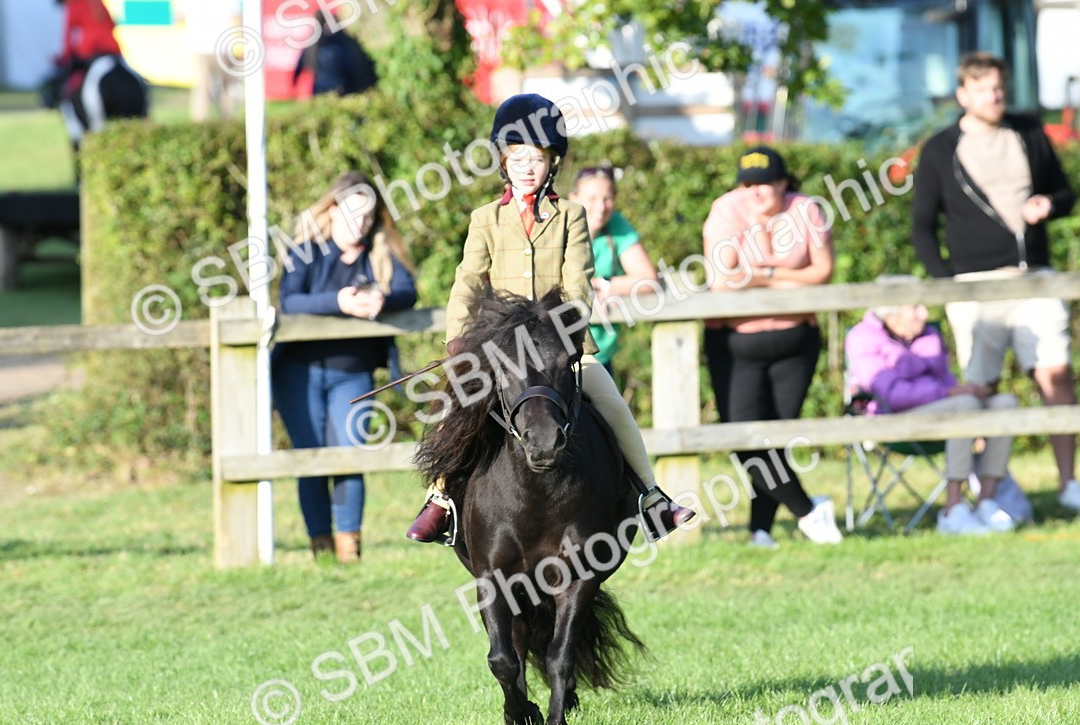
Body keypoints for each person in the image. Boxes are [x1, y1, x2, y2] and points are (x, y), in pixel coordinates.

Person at [406, 93, 695, 544]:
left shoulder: (571, 216)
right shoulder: (486, 218)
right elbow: (466, 281)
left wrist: (565, 336)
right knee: (454, 410)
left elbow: (578, 281)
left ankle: (652, 499)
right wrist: (457, 343)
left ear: (553, 163)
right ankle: (441, 500)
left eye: (536, 158)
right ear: (502, 160)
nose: (526, 166)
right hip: (498, 348)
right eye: (516, 156)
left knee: (613, 403)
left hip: (556, 346)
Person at [911, 51, 1080, 515]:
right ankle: (991, 493)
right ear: (963, 94)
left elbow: (1065, 192)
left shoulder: (1029, 132)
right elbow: (922, 226)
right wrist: (948, 286)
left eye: (999, 87)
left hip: (1035, 277)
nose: (994, 96)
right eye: (983, 89)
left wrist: (1048, 205)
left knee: (1056, 374)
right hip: (975, 284)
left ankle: (1069, 484)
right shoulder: (940, 149)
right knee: (981, 389)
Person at [273, 171, 417, 562]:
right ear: (333, 210)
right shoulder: (305, 250)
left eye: (369, 216)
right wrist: (339, 301)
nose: (362, 224)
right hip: (297, 374)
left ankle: (349, 546)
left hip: (354, 373)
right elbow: (290, 301)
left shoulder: (380, 251)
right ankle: (319, 545)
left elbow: (409, 291)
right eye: (354, 214)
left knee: (351, 456)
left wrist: (380, 299)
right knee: (312, 458)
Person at [702, 145, 842, 548]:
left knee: (774, 440)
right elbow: (722, 278)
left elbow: (823, 271)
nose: (757, 192)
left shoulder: (806, 209)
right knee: (745, 438)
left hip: (794, 340)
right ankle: (809, 511)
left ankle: (760, 530)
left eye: (765, 183)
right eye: (749, 183)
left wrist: (761, 273)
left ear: (783, 182)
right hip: (734, 342)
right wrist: (786, 277)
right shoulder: (726, 209)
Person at [845, 284, 1018, 534]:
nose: (924, 314)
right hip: (892, 418)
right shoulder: (862, 337)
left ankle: (986, 502)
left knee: (1005, 404)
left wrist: (972, 391)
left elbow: (946, 381)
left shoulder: (928, 334)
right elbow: (892, 395)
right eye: (915, 307)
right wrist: (954, 394)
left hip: (944, 410)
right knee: (965, 404)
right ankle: (952, 510)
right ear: (890, 312)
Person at [568, 165, 660, 375]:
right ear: (573, 198)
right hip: (559, 354)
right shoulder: (556, 227)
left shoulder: (616, 223)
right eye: (592, 198)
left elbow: (648, 280)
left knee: (614, 408)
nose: (601, 207)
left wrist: (603, 284)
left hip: (600, 355)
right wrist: (588, 289)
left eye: (607, 198)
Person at [50, 0, 147, 163]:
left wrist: (64, 59)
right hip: (115, 52)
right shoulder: (99, 2)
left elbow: (68, 39)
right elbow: (111, 25)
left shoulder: (73, 6)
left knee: (69, 91)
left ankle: (75, 128)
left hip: (92, 54)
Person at [177, 0, 241, 121]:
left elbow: (180, 16)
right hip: (224, 45)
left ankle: (200, 124)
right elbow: (236, 16)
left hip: (200, 45)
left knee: (202, 88)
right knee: (227, 87)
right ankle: (229, 122)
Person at [292, 7, 378, 97]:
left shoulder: (313, 45)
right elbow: (351, 65)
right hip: (337, 88)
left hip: (321, 88)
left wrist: (294, 80)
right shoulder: (340, 43)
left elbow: (301, 64)